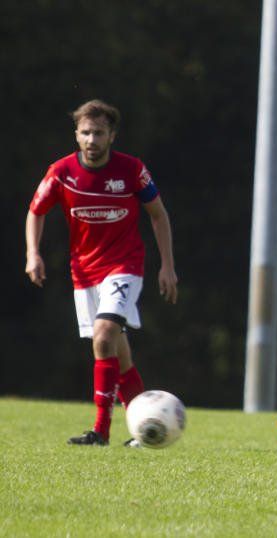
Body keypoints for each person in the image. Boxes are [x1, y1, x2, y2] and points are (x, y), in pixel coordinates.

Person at [25, 99, 178, 446]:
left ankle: (101, 431)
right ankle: (145, 430)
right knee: (118, 354)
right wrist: (33, 253)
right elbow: (36, 211)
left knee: (104, 335)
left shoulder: (132, 170)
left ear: (112, 136)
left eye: (98, 133)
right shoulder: (61, 172)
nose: (91, 140)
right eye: (85, 133)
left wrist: (167, 266)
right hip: (84, 272)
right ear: (76, 135)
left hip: (125, 266)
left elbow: (158, 214)